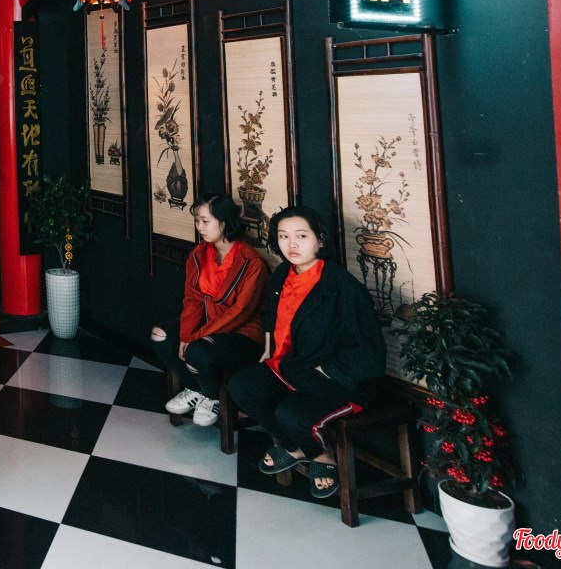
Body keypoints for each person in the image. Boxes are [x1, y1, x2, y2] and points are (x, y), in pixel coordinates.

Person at [227, 205, 386, 499]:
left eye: (301, 236)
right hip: (291, 368)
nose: (292, 244)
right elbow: (273, 316)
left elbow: (369, 349)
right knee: (241, 386)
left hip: (336, 379)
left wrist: (326, 369)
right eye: (283, 236)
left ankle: (322, 456)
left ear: (320, 240)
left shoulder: (341, 286)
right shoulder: (282, 273)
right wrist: (268, 348)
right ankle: (294, 447)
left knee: (289, 413)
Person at [151, 193, 269, 428]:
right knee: (160, 335)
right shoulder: (199, 254)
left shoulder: (251, 262)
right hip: (206, 323)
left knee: (197, 350)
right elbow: (192, 299)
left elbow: (240, 312)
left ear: (224, 222)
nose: (200, 227)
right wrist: (186, 335)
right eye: (197, 221)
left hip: (242, 333)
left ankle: (212, 397)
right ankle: (196, 389)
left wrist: (195, 337)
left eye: (205, 221)